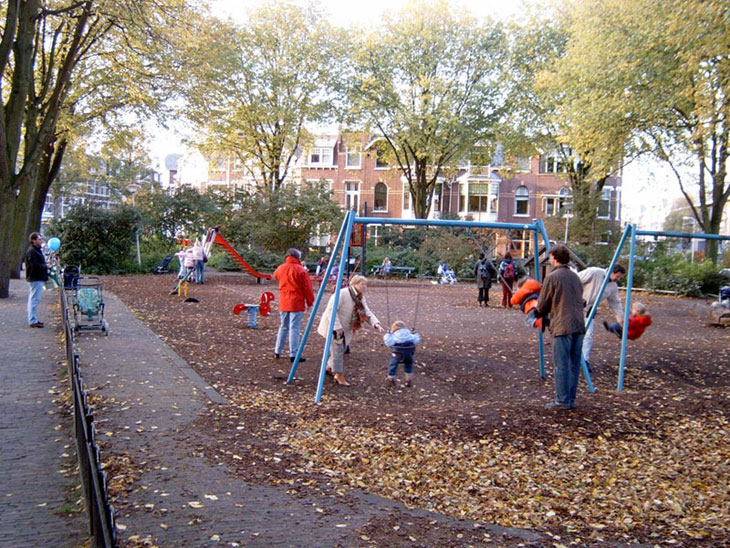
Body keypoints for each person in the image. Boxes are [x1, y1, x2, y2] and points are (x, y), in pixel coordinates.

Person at [536, 245, 586, 410]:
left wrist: (535, 312)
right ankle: (570, 399)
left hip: (562, 325)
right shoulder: (575, 277)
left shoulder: (552, 277)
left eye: (551, 257)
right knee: (574, 364)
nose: (550, 260)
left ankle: (562, 400)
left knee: (561, 365)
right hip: (579, 324)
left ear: (555, 258)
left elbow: (542, 305)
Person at [317, 274, 385, 386]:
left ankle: (329, 367)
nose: (364, 287)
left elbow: (367, 312)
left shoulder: (360, 297)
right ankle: (338, 374)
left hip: (346, 327)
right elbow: (331, 311)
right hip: (333, 326)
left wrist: (376, 324)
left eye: (366, 285)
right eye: (362, 284)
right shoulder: (342, 294)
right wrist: (337, 327)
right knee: (338, 350)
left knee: (341, 349)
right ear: (354, 284)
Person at [578, 264, 626, 369]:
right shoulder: (594, 272)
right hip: (576, 305)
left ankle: (585, 360)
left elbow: (616, 304)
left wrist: (621, 320)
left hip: (590, 309)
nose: (618, 279)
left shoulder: (613, 286)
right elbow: (576, 279)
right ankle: (572, 357)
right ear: (612, 272)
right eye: (617, 276)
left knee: (588, 335)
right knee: (572, 332)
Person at [273, 248, 314, 362]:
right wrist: (310, 302)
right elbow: (307, 288)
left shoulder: (281, 268)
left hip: (284, 300)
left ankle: (277, 350)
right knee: (294, 328)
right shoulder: (301, 270)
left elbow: (275, 275)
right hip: (296, 301)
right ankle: (293, 354)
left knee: (283, 326)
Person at [384, 320, 421, 387]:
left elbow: (389, 342)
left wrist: (387, 334)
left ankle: (391, 379)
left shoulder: (394, 335)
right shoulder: (409, 334)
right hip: (409, 354)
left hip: (398, 354)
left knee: (393, 365)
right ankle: (408, 380)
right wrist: (415, 333)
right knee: (408, 364)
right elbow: (416, 340)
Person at [25, 232, 49, 328]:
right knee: (34, 299)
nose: (41, 240)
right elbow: (34, 265)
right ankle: (32, 320)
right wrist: (45, 266)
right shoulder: (32, 252)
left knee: (34, 299)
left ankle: (33, 319)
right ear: (33, 240)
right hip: (35, 277)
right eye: (39, 239)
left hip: (36, 277)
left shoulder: (35, 251)